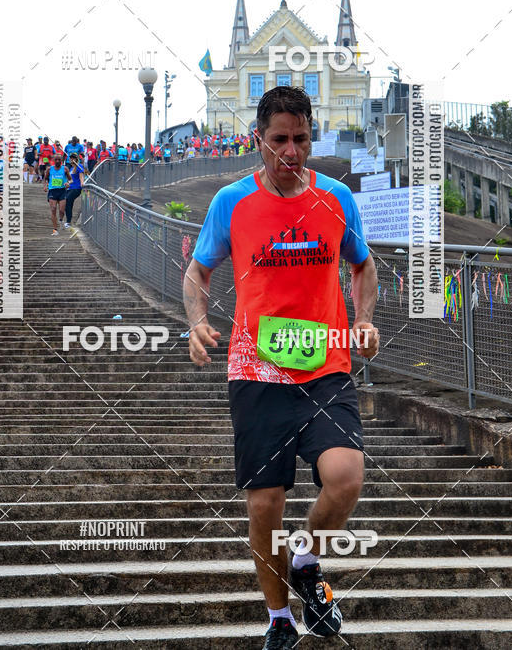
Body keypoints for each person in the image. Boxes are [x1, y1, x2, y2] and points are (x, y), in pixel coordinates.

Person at [183, 86, 379, 648]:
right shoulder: (232, 202)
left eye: (300, 139)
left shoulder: (336, 197)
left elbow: (363, 266)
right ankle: (278, 618)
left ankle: (306, 559)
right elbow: (197, 272)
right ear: (259, 140)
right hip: (257, 369)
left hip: (325, 363)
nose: (291, 151)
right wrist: (196, 321)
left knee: (346, 478)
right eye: (279, 140)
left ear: (311, 136)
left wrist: (364, 319)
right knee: (266, 502)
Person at [45, 153, 71, 234]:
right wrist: (45, 186)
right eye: (56, 159)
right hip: (52, 191)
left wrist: (68, 183)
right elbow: (45, 179)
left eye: (59, 160)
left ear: (61, 160)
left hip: (62, 191)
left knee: (61, 211)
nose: (57, 161)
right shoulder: (49, 169)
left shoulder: (65, 169)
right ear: (53, 160)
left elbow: (70, 179)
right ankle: (55, 229)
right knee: (53, 209)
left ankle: (61, 220)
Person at [65, 153, 84, 229]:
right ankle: (68, 221)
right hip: (70, 188)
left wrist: (82, 183)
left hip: (76, 188)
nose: (72, 159)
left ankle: (68, 222)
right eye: (71, 158)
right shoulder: (70, 169)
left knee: (68, 200)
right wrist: (67, 183)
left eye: (73, 158)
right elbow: (71, 180)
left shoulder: (79, 166)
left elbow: (81, 176)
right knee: (67, 203)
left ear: (76, 159)